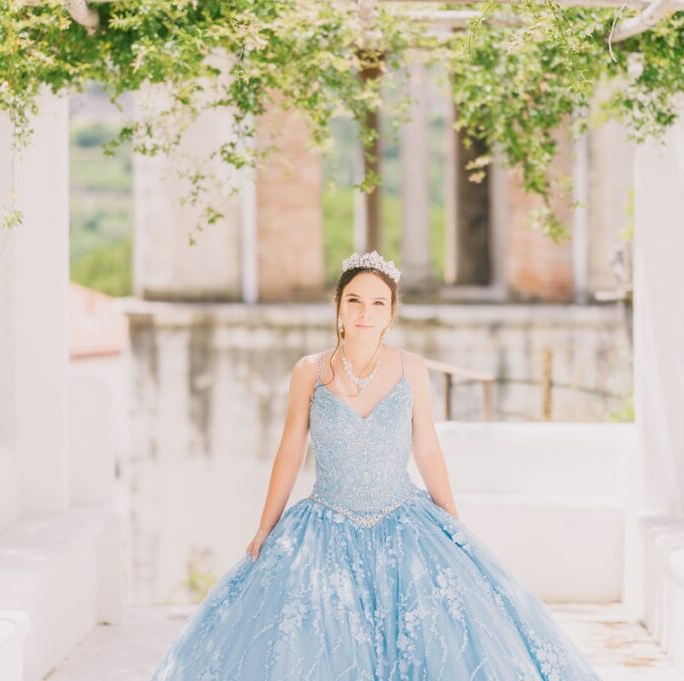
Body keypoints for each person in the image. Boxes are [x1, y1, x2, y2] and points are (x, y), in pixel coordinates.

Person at [150, 251, 602, 680]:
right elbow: (290, 451)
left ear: (391, 312)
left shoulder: (412, 369)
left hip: (404, 519)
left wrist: (452, 519)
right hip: (325, 523)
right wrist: (265, 527)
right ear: (339, 307)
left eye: (378, 303)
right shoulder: (309, 370)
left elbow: (426, 447)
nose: (365, 312)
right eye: (355, 301)